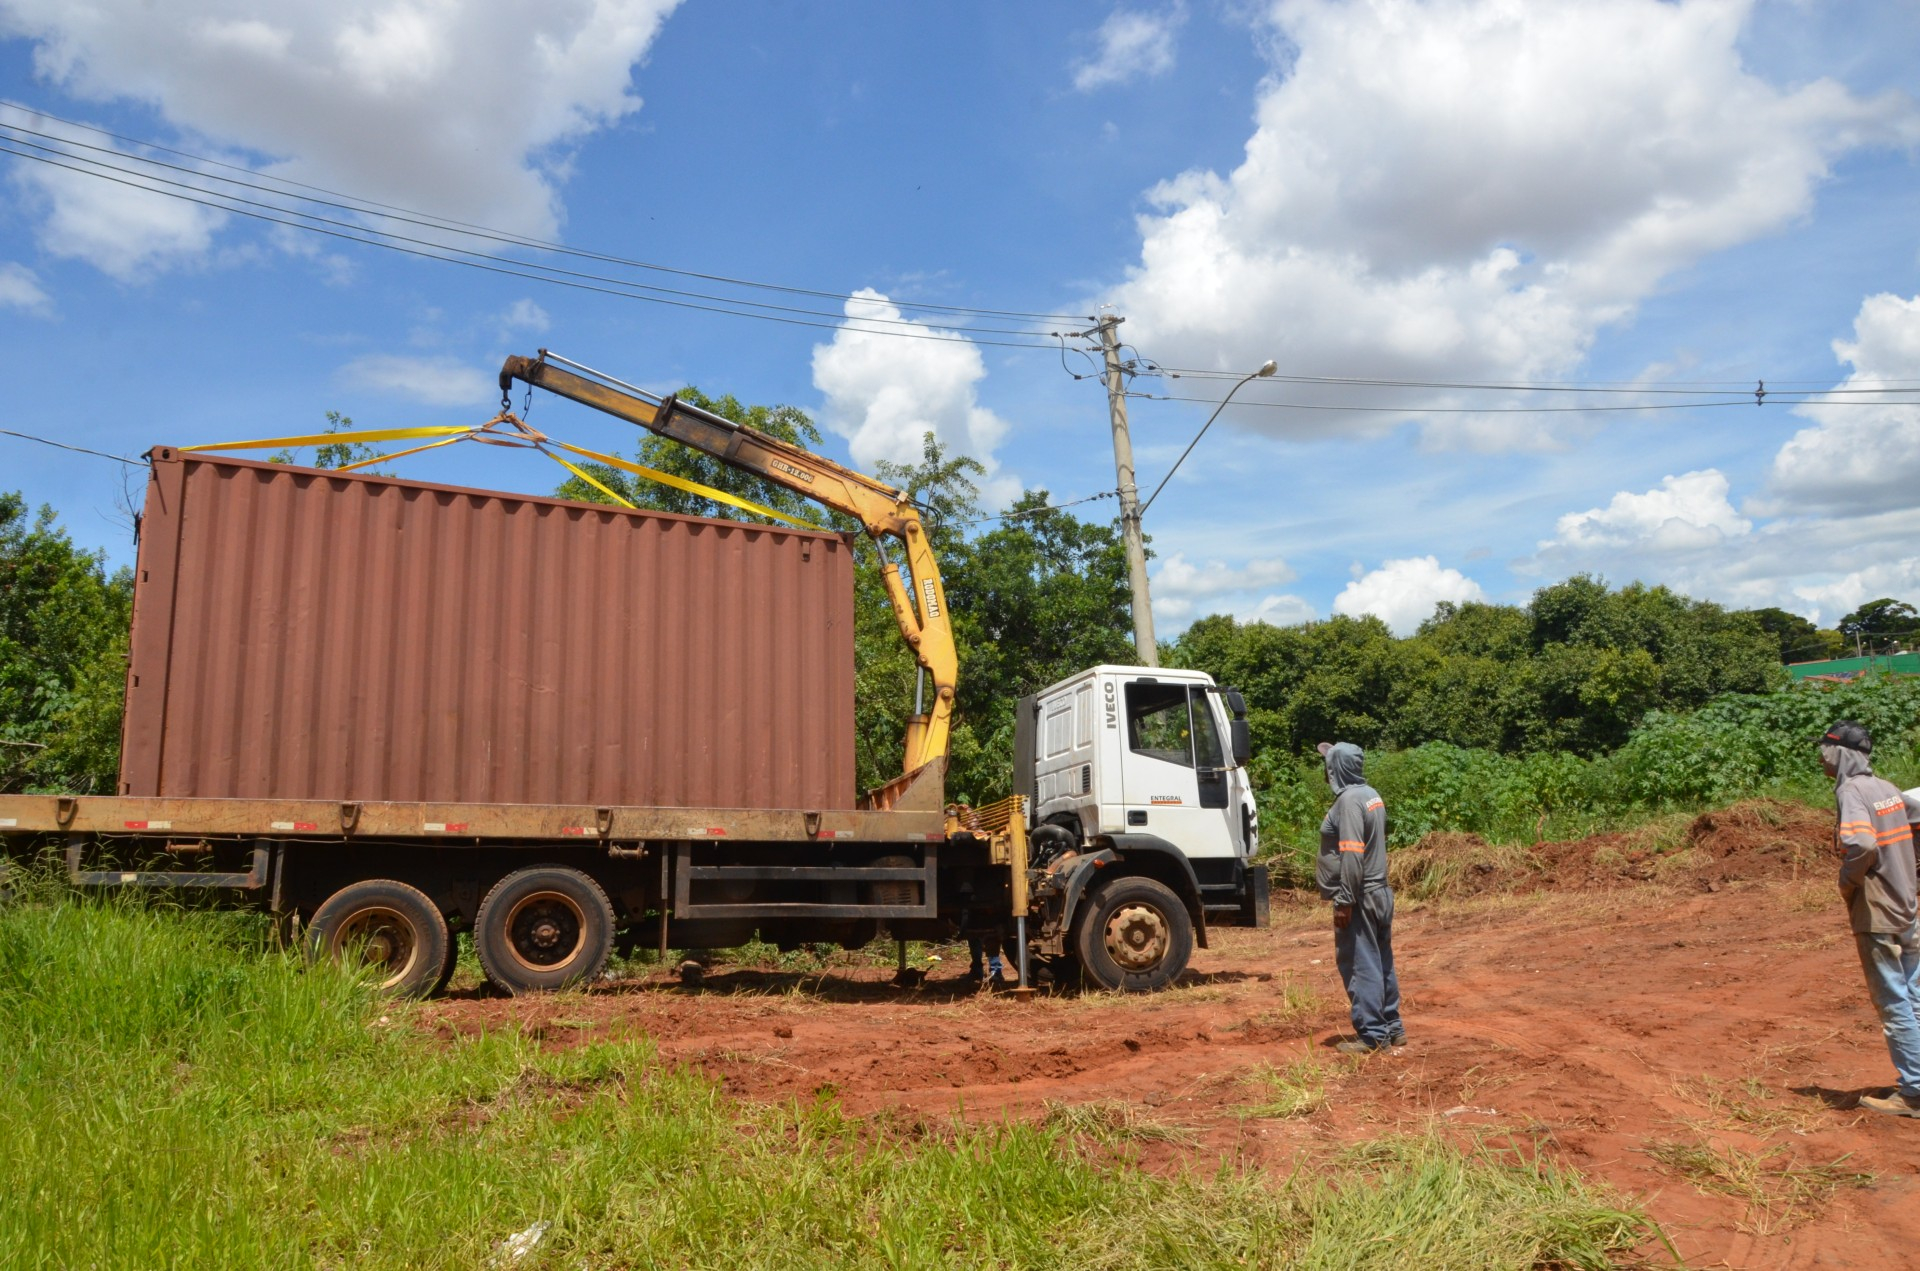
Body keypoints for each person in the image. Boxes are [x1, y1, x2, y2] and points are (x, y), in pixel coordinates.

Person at [1818, 720, 1920, 1118]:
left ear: (1840, 752)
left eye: (1825, 749)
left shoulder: (1852, 791)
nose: (1822, 757)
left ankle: (1913, 1093)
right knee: (1913, 995)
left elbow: (1860, 843)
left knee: (1893, 1001)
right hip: (1906, 905)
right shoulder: (1888, 789)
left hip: (1877, 909)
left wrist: (1848, 879)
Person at [1316, 741, 1404, 1054]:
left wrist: (1344, 901)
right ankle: (1393, 1027)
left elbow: (1352, 857)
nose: (1325, 772)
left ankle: (1372, 1035)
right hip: (1379, 891)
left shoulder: (1350, 801)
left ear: (1336, 768)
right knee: (1381, 961)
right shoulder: (1371, 795)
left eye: (1328, 765)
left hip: (1361, 895)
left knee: (1360, 964)